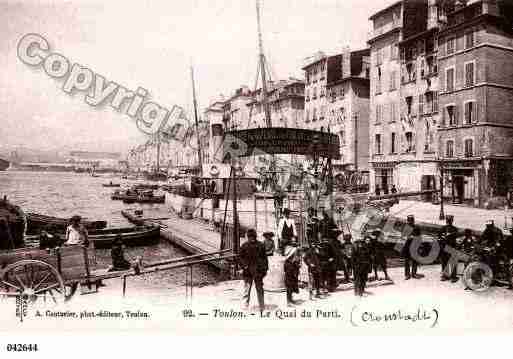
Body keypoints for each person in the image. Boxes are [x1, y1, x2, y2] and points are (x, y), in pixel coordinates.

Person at [239, 228, 268, 312]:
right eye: (250, 237)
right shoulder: (244, 246)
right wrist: (244, 266)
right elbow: (240, 257)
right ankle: (245, 305)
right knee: (247, 290)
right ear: (248, 237)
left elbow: (264, 259)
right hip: (248, 272)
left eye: (253, 237)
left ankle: (261, 306)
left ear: (255, 237)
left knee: (260, 289)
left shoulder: (261, 245)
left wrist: (264, 270)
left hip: (258, 272)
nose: (252, 238)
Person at [438, 215, 459, 282]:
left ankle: (449, 276)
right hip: (448, 247)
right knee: (448, 262)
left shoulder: (445, 229)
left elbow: (439, 239)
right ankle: (449, 276)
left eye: (449, 221)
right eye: (449, 220)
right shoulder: (453, 229)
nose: (449, 222)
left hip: (448, 247)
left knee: (448, 262)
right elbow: (439, 238)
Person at [402, 215, 421, 280]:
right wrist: (407, 237)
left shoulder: (417, 227)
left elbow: (419, 237)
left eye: (411, 221)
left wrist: (414, 237)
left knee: (415, 261)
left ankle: (414, 273)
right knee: (407, 261)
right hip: (407, 246)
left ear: (413, 221)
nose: (410, 222)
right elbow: (403, 236)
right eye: (409, 221)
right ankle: (407, 274)